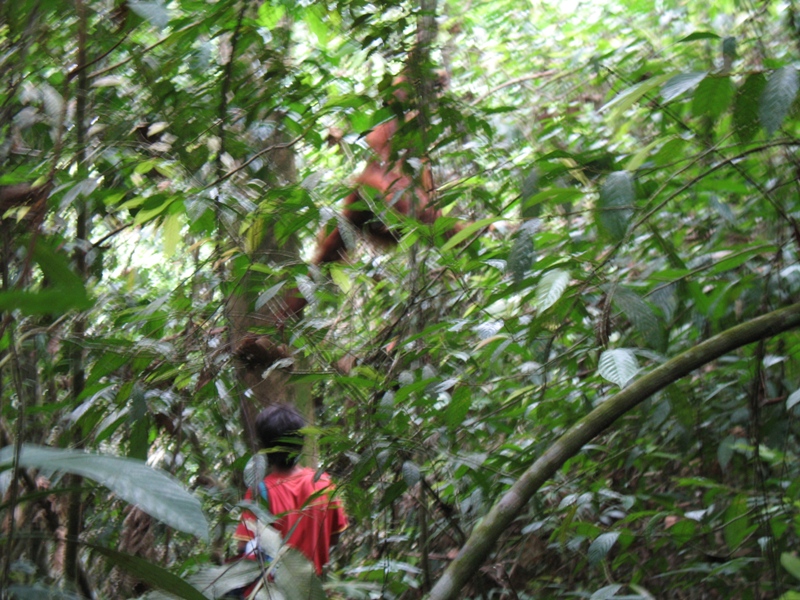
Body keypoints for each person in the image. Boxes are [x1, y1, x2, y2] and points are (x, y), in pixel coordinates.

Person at [233, 403, 348, 578]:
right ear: (300, 442)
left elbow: (244, 549)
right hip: (315, 588)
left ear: (264, 446)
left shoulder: (260, 493)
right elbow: (334, 537)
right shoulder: (324, 483)